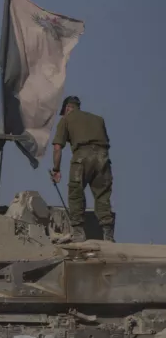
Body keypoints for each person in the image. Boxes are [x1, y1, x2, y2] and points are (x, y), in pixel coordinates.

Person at [51, 95, 114, 242]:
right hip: (102, 157)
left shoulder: (66, 119)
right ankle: (108, 235)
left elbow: (57, 147)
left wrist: (56, 169)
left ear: (67, 108)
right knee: (103, 195)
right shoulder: (98, 119)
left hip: (82, 157)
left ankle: (78, 233)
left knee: (76, 191)